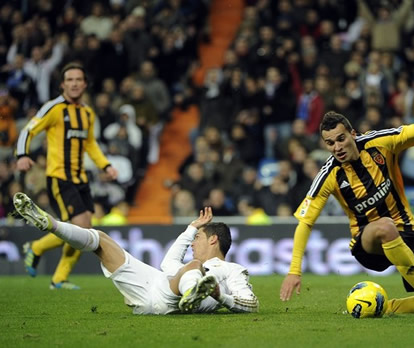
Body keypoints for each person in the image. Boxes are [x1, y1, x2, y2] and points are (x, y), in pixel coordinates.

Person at [280, 111, 414, 314]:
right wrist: (294, 271)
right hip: (368, 242)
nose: (337, 147)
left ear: (353, 133)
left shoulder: (380, 143)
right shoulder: (329, 174)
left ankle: (388, 307)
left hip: (407, 232)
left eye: (341, 139)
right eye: (330, 143)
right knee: (386, 225)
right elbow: (305, 222)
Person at [13, 193, 259, 314]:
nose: (193, 243)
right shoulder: (186, 265)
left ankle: (193, 294)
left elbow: (251, 305)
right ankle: (50, 224)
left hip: (172, 300)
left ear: (214, 239)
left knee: (193, 265)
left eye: (198, 238)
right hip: (154, 286)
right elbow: (167, 263)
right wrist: (190, 228)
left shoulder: (233, 270)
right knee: (100, 240)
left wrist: (219, 296)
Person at [15, 62, 118, 290]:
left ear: (85, 84)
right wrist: (22, 153)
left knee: (85, 232)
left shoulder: (87, 113)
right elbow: (28, 130)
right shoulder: (53, 108)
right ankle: (37, 248)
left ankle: (59, 279)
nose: (74, 84)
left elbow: (90, 144)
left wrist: (105, 165)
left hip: (81, 179)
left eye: (78, 80)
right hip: (60, 177)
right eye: (69, 80)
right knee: (80, 229)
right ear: (62, 84)